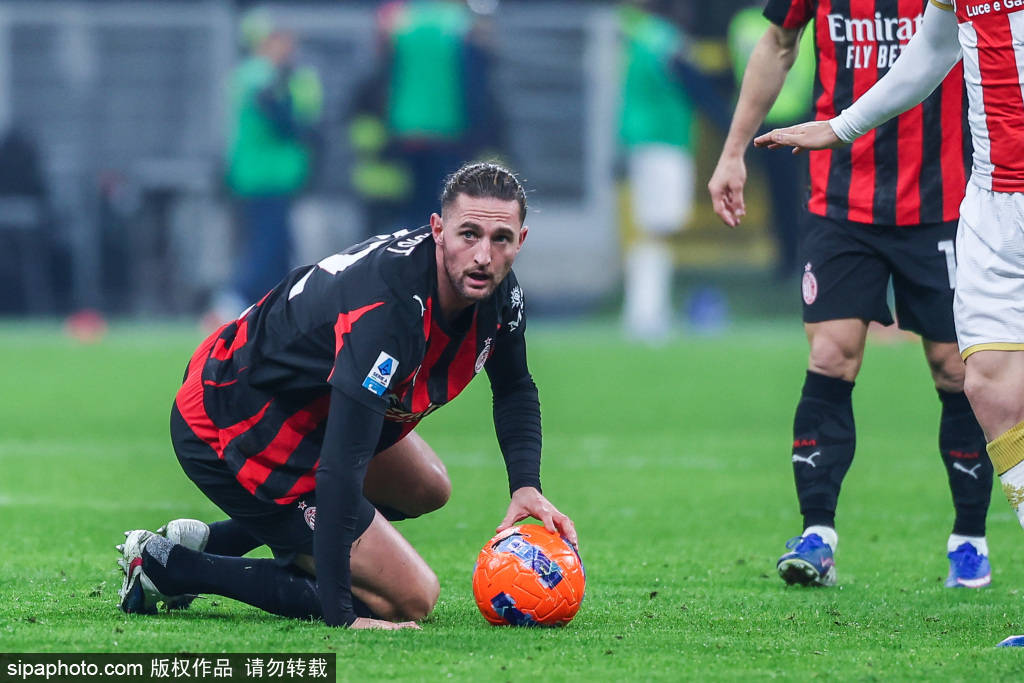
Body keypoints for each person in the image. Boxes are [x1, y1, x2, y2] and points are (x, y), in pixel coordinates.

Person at [116, 162, 577, 629]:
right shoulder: (389, 312)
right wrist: (344, 617)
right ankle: (168, 567)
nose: (483, 256)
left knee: (428, 486)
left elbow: (514, 386)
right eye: (469, 234)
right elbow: (341, 466)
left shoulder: (498, 295)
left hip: (309, 411)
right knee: (412, 597)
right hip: (238, 419)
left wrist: (526, 486)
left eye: (500, 239)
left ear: (520, 240)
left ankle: (218, 541)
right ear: (438, 230)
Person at [708, 0, 993, 588]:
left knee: (954, 368)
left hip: (941, 203)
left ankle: (969, 541)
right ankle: (818, 535)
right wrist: (733, 150)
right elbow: (777, 43)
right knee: (831, 354)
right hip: (839, 201)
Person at [213, 16, 323, 322]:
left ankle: (271, 312)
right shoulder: (263, 76)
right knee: (267, 246)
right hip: (266, 176)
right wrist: (304, 132)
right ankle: (230, 302)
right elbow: (282, 121)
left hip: (263, 175)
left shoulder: (251, 74)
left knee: (277, 248)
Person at [725, 3, 815, 279]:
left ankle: (795, 257)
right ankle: (791, 257)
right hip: (774, 123)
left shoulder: (744, 23)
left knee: (793, 194)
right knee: (787, 195)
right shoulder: (744, 23)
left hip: (797, 121)